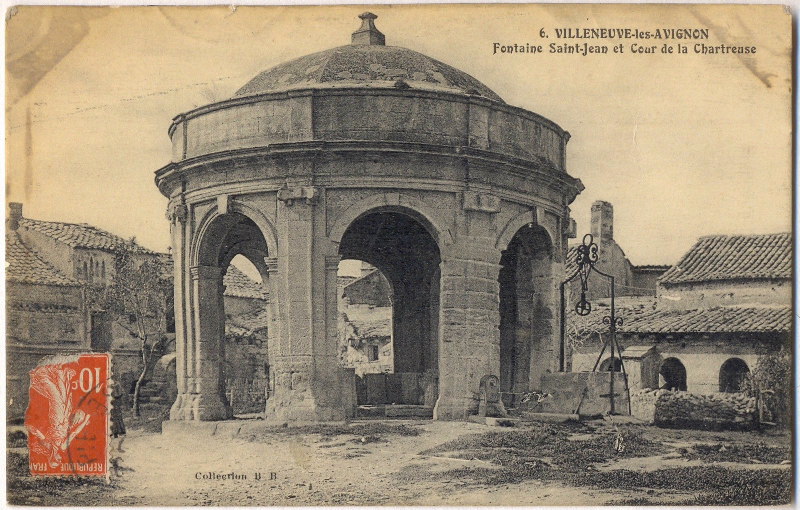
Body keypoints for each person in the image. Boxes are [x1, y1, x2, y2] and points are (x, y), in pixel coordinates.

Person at [110, 381, 127, 452]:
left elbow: (119, 395)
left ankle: (118, 447)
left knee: (116, 419)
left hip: (116, 407)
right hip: (112, 407)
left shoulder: (117, 385)